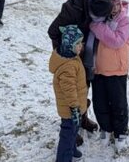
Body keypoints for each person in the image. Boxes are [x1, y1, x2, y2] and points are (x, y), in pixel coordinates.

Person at [89, 0, 129, 144]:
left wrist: (97, 27)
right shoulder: (98, 18)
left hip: (117, 70)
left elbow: (116, 41)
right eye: (111, 3)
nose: (115, 7)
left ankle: (120, 131)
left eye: (118, 3)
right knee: (100, 103)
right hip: (99, 68)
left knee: (119, 103)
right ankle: (105, 128)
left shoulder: (124, 20)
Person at [50, 25, 87, 162]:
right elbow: (69, 90)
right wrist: (75, 108)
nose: (81, 46)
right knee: (68, 134)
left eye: (81, 42)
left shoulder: (71, 57)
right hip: (70, 109)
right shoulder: (68, 67)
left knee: (73, 132)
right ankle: (63, 158)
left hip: (73, 107)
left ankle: (71, 149)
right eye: (77, 43)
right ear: (69, 45)